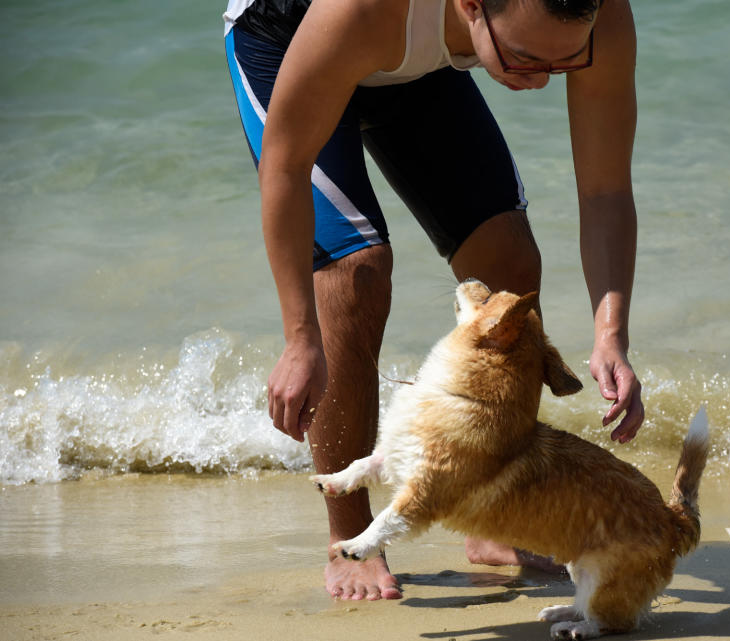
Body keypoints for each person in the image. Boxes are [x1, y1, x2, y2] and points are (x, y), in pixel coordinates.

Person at [224, 0, 645, 601]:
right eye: (525, 57)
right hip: (289, 37)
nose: (543, 79)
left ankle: (493, 515)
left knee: (509, 267)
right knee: (356, 271)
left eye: (566, 59)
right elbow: (286, 166)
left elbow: (605, 188)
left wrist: (611, 336)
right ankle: (350, 539)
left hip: (413, 67)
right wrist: (300, 338)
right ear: (473, 5)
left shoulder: (599, 11)